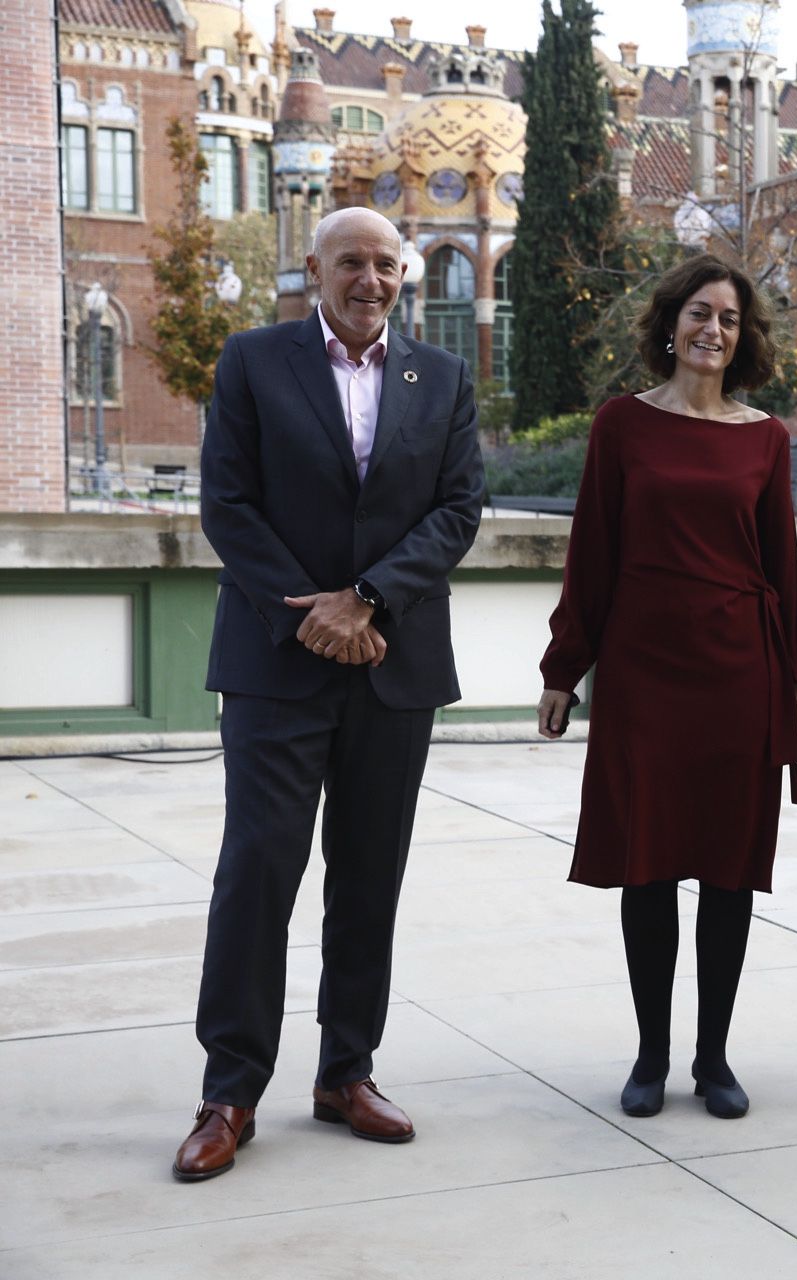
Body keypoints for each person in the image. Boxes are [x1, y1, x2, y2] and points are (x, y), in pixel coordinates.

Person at [175, 207, 485, 1181]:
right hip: (278, 662)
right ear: (314, 268)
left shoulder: (439, 378)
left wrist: (369, 598)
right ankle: (231, 1087)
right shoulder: (254, 362)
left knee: (368, 873)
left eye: (386, 264)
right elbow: (227, 502)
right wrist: (310, 611)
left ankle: (345, 1069)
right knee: (259, 870)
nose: (370, 278)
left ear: (405, 276)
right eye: (351, 260)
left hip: (393, 663)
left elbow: (458, 507)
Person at [537, 254, 797, 1123]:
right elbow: (590, 553)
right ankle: (651, 1054)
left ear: (744, 339)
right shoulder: (621, 426)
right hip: (642, 673)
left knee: (730, 872)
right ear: (671, 324)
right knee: (649, 867)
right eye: (700, 313)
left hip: (739, 674)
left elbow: (782, 564)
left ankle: (713, 1057)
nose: (713, 330)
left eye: (730, 320)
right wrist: (564, 668)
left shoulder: (766, 437)